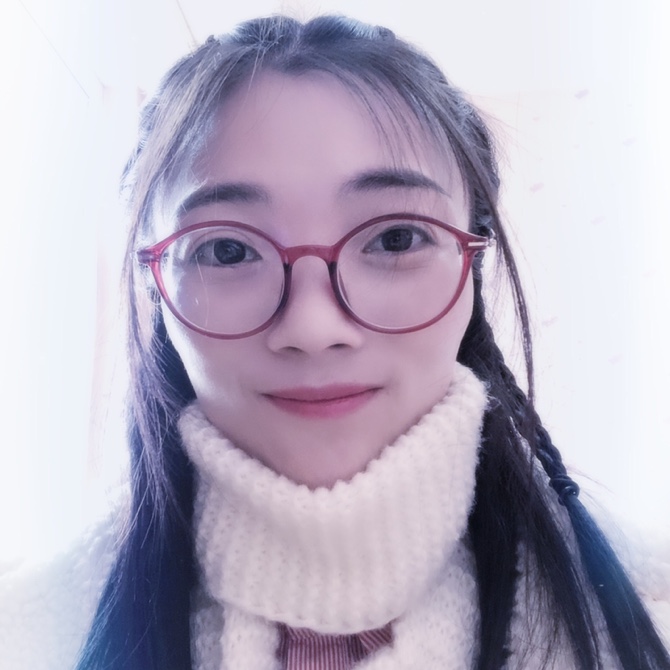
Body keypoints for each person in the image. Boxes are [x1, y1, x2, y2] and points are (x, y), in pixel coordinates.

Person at [1, 14, 668, 670]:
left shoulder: (651, 602)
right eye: (227, 249)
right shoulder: (28, 633)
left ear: (474, 261)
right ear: (154, 281)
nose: (312, 329)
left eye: (396, 238)